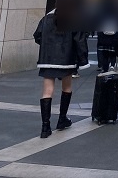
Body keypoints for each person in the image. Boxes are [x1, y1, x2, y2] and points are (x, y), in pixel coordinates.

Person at [33, 8, 89, 138]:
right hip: (66, 58)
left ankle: (45, 127)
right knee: (67, 87)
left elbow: (37, 35)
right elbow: (79, 40)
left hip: (47, 58)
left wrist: (47, 45)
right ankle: (62, 119)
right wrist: (83, 60)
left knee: (47, 91)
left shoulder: (46, 18)